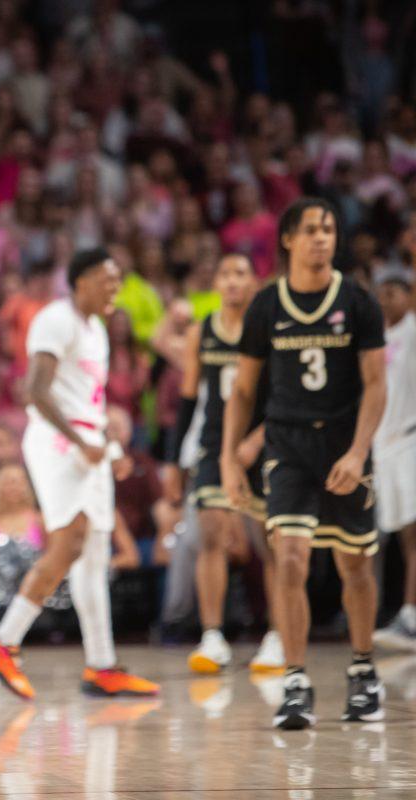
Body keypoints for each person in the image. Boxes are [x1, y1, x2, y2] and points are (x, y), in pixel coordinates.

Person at [222, 197, 387, 729]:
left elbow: (376, 384)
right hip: (289, 447)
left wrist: (359, 451)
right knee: (289, 558)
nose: (323, 238)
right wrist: (228, 457)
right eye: (313, 229)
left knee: (354, 564)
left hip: (344, 445)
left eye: (330, 229)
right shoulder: (267, 306)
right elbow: (243, 390)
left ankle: (363, 671)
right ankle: (296, 680)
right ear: (289, 238)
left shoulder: (358, 301)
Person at [0, 248, 160, 700]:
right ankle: (3, 641)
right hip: (58, 447)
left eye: (118, 280)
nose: (115, 288)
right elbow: (35, 391)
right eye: (106, 279)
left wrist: (109, 448)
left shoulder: (96, 329)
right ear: (80, 281)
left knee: (94, 555)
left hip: (87, 448)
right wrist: (80, 443)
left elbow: (86, 403)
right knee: (71, 542)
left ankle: (102, 666)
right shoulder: (56, 319)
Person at [165, 253, 284, 674]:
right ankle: (213, 635)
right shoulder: (203, 332)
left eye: (240, 273)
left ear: (254, 281)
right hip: (216, 442)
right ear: (214, 282)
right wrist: (173, 463)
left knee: (269, 542)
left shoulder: (268, 328)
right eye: (225, 273)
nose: (232, 281)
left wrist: (256, 439)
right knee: (211, 533)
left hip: (263, 442)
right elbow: (186, 401)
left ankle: (276, 635)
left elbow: (285, 397)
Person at [370, 268, 416, 651]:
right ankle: (374, 614)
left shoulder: (414, 331)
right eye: (381, 292)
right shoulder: (377, 337)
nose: (386, 299)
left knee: (412, 535)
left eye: (394, 292)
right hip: (380, 447)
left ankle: (411, 616)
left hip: (410, 440)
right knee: (378, 538)